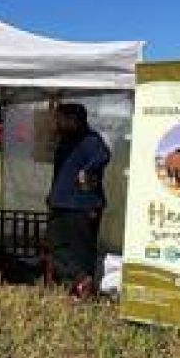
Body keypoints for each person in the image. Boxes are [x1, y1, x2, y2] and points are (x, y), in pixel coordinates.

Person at [46, 103, 110, 299]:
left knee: (82, 249)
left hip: (83, 204)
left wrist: (87, 170)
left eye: (62, 119)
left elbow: (103, 155)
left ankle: (83, 290)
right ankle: (80, 278)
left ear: (74, 119)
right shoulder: (65, 140)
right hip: (60, 202)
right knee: (55, 243)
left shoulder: (91, 139)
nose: (58, 122)